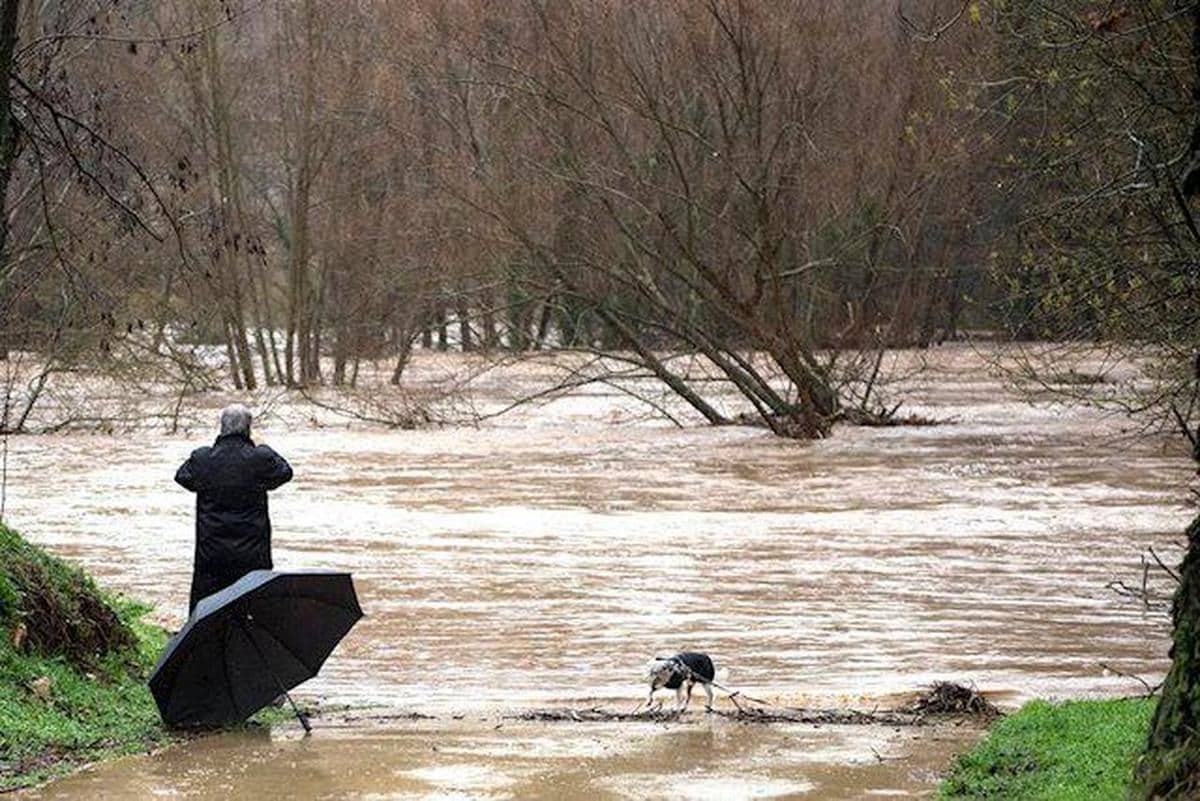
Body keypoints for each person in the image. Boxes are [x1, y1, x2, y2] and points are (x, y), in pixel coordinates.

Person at [175, 404, 293, 613]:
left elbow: (182, 477)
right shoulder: (261, 459)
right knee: (253, 606)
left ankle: (203, 644)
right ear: (248, 429)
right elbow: (285, 472)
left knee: (206, 608)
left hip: (211, 552)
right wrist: (264, 448)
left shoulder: (203, 459)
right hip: (253, 553)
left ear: (222, 428)